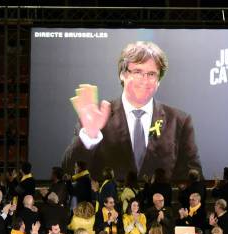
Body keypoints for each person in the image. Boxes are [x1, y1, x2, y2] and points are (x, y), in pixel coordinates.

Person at [62, 41, 202, 180]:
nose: (144, 80)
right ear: (122, 74)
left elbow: (193, 176)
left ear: (159, 79)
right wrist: (90, 136)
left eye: (151, 74)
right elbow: (68, 171)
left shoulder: (179, 121)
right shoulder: (96, 116)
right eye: (137, 72)